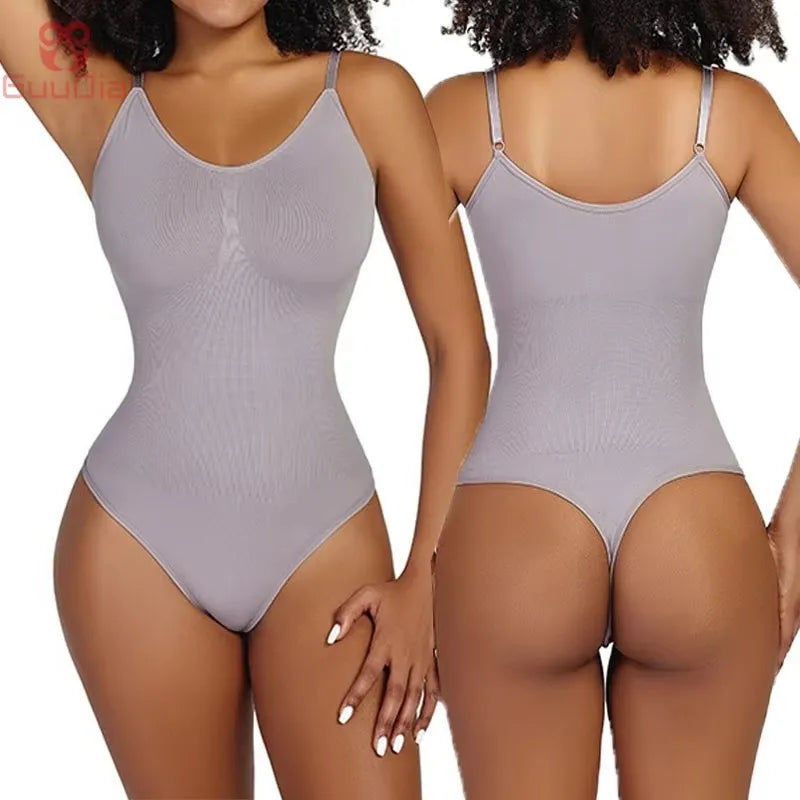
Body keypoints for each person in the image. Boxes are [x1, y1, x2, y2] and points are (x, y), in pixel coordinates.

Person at [0, 1, 490, 797]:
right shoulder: (102, 103)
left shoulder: (368, 96)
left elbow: (459, 348)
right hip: (136, 545)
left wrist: (428, 580)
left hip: (325, 544)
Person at [427, 2, 800, 798]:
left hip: (513, 532)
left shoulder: (460, 115)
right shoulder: (730, 113)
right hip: (697, 533)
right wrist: (796, 538)